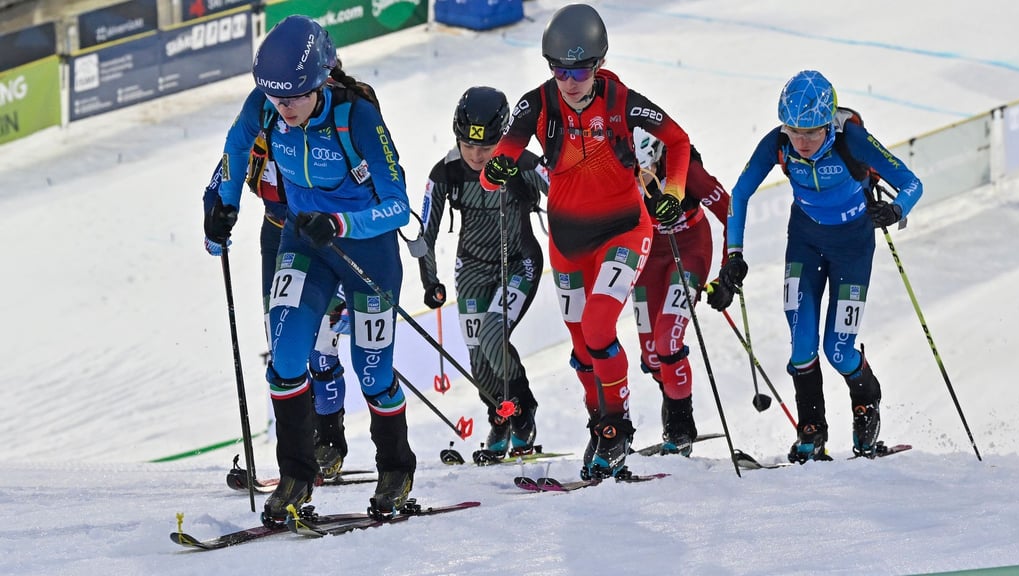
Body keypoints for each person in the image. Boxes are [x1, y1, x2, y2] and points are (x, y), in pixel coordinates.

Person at [203, 15, 416, 522]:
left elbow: (397, 205)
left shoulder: (356, 116)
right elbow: (235, 149)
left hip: (366, 251)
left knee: (374, 370)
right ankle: (297, 475)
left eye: (295, 96)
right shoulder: (266, 106)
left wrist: (342, 223)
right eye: (276, 98)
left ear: (321, 79)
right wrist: (220, 203)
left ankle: (396, 468)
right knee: (286, 356)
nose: (284, 107)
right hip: (301, 242)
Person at [480, 3, 694, 480]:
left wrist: (674, 195)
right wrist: (498, 169)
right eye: (559, 69)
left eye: (578, 69)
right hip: (567, 241)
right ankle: (600, 425)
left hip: (623, 230)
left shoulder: (622, 101)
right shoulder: (537, 103)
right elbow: (507, 151)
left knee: (599, 328)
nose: (569, 80)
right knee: (581, 349)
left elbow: (677, 141)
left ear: (597, 64)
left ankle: (617, 428)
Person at [711, 70, 923, 463]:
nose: (802, 143)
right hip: (805, 244)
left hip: (853, 248)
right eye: (793, 131)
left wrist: (895, 209)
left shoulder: (851, 139)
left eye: (811, 132)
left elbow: (912, 183)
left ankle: (866, 403)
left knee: (838, 350)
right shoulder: (778, 144)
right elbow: (739, 194)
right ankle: (811, 429)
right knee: (802, 343)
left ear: (829, 124)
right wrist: (734, 257)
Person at [202, 150, 351, 483]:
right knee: (282, 344)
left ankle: (330, 441)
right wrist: (214, 221)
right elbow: (219, 181)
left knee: (321, 344)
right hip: (276, 233)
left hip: (322, 233)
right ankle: (300, 451)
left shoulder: (315, 121)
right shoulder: (255, 127)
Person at [418, 86, 550, 460]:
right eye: (468, 145)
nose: (476, 155)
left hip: (519, 262)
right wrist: (431, 281)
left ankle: (523, 411)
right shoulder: (444, 171)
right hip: (472, 269)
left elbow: (562, 195)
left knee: (493, 334)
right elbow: (426, 230)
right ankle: (500, 417)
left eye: (487, 147)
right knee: (478, 358)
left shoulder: (523, 161)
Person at [630, 128, 730, 457]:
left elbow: (730, 212)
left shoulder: (684, 167)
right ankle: (673, 402)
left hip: (688, 248)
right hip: (647, 254)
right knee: (651, 356)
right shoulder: (621, 167)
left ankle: (680, 427)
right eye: (637, 171)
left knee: (667, 341)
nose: (644, 178)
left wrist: (727, 275)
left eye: (649, 170)